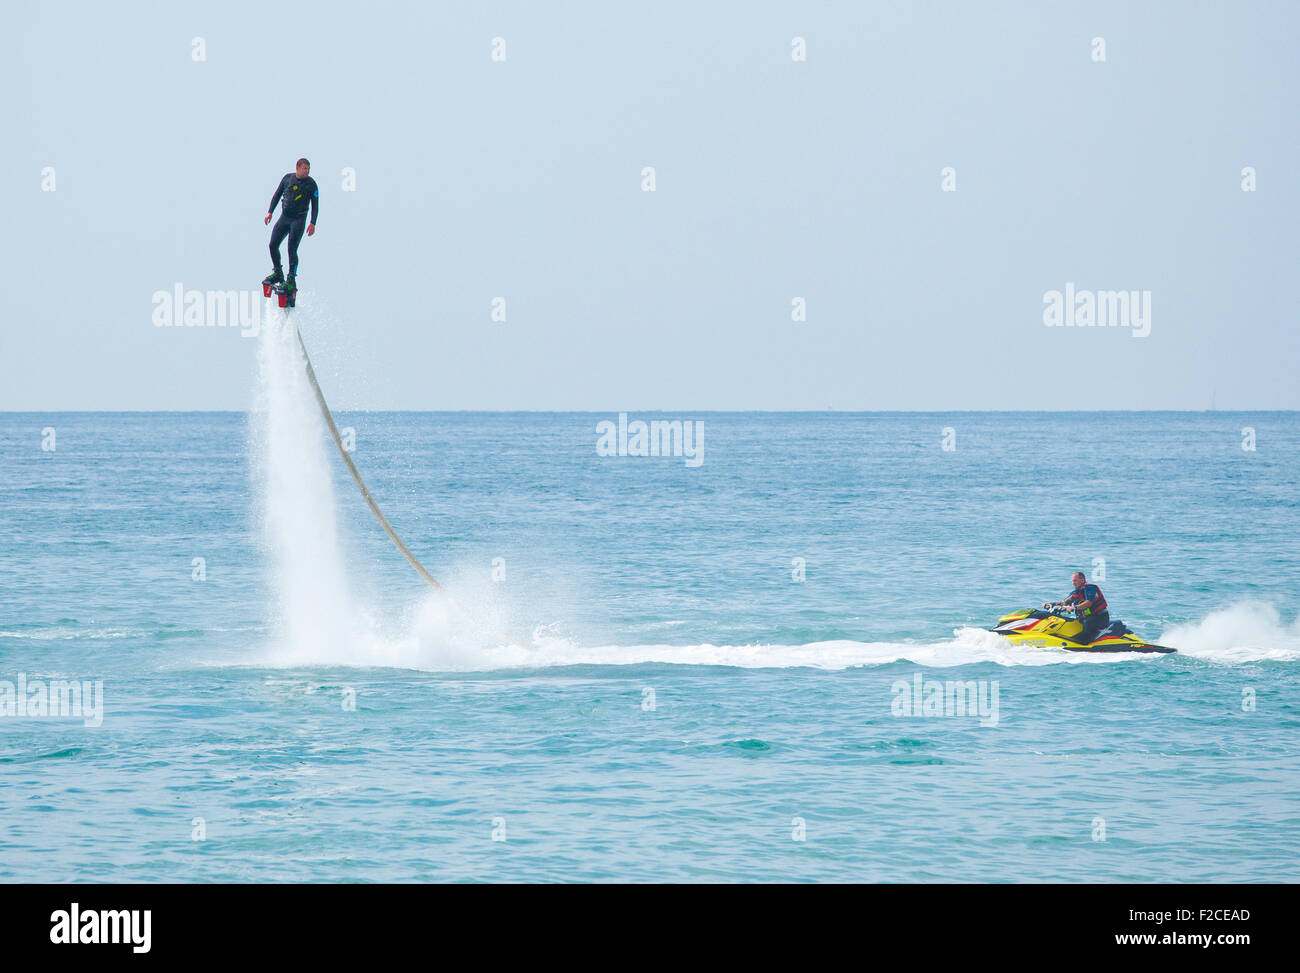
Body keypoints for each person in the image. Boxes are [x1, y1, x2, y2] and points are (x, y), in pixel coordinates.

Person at [262, 158, 319, 295]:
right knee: (272, 245)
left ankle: (291, 279)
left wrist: (313, 223)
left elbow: (315, 205)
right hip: (284, 218)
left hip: (298, 220)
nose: (307, 171)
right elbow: (276, 195)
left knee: (291, 250)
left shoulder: (311, 184)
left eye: (308, 169)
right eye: (305, 168)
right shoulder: (287, 179)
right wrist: (270, 212)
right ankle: (278, 273)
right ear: (298, 168)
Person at [1043, 572, 1110, 645]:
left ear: (1082, 580)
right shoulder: (1075, 592)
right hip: (1085, 619)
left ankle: (1083, 647)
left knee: (1083, 638)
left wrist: (1074, 607)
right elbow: (1064, 603)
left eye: (1075, 580)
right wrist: (1051, 604)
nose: (1073, 583)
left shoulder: (1091, 588)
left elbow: (1088, 603)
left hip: (1099, 618)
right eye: (1072, 581)